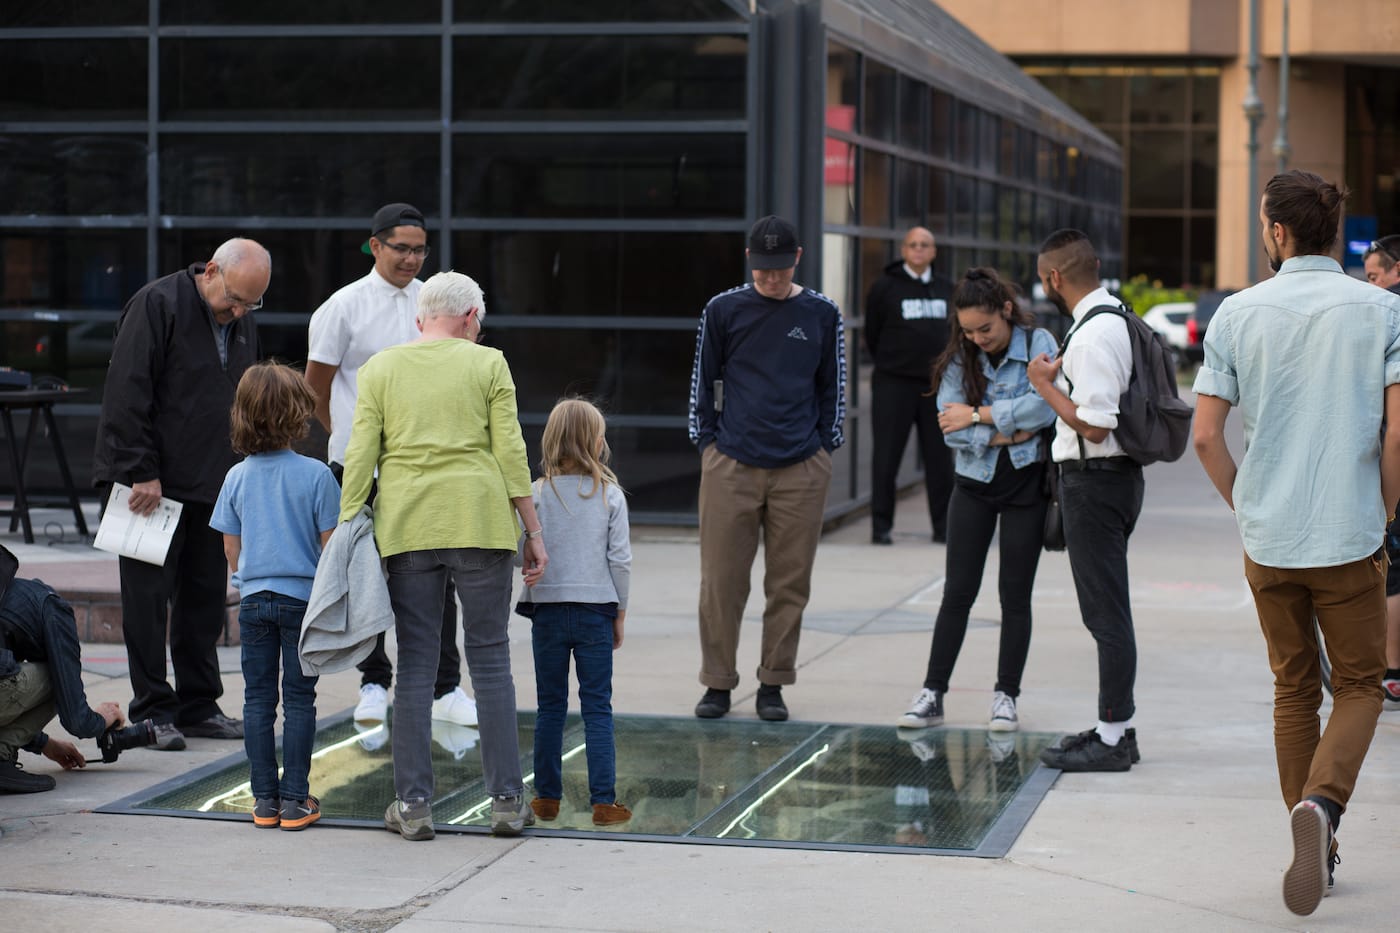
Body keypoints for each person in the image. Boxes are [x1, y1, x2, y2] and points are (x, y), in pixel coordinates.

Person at [1193, 170, 1400, 917]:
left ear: (1278, 232)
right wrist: (1382, 513)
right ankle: (1324, 806)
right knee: (1360, 683)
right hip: (1349, 533)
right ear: (1332, 233)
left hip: (1270, 538)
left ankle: (1312, 840)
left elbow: (1207, 436)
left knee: (1291, 686)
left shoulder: (1238, 313)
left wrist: (1247, 506)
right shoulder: (1382, 309)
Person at [340, 270, 547, 841]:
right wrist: (533, 530)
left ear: (420, 318)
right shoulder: (488, 364)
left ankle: (413, 806)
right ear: (468, 318)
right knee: (490, 661)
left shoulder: (379, 368)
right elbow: (510, 450)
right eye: (479, 321)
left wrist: (344, 523)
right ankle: (506, 801)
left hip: (408, 525)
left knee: (415, 665)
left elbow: (361, 453)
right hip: (480, 522)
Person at [305, 203, 477, 733]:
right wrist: (351, 441)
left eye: (419, 249)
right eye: (400, 247)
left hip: (424, 464)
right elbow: (315, 386)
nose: (410, 257)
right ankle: (374, 681)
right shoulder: (343, 306)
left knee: (438, 573)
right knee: (367, 575)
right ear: (374, 245)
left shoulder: (435, 302)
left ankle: (445, 687)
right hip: (359, 465)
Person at [93, 237, 269, 749]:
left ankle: (198, 705)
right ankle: (153, 711)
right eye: (234, 299)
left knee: (204, 601)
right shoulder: (157, 304)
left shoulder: (241, 318)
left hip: (212, 483)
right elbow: (126, 391)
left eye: (250, 305)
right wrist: (140, 469)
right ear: (211, 271)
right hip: (149, 487)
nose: (238, 311)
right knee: (146, 602)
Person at [688, 214, 846, 722]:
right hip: (730, 462)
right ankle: (717, 682)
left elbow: (832, 387)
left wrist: (825, 447)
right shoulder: (723, 309)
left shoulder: (823, 313)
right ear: (750, 262)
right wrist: (707, 445)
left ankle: (773, 683)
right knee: (721, 582)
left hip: (801, 466)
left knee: (789, 584)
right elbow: (702, 381)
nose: (771, 279)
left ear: (796, 259)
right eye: (762, 271)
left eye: (779, 270)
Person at [897, 269, 1056, 733]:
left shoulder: (1038, 341)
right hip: (972, 488)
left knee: (1015, 598)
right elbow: (951, 430)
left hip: (1026, 489)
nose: (977, 338)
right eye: (967, 330)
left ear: (1006, 310)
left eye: (985, 329)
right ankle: (932, 693)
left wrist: (979, 416)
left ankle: (1006, 697)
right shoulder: (957, 359)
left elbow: (1045, 408)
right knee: (957, 594)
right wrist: (1012, 431)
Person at [1025, 229, 1143, 773]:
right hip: (1108, 481)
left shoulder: (1094, 336)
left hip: (1095, 482)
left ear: (1053, 278)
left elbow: (1095, 426)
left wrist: (1043, 386)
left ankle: (1114, 737)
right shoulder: (1110, 315)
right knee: (1106, 608)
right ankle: (1111, 726)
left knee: (1105, 613)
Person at [210, 363, 340, 831]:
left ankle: (263, 800)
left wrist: (246, 580)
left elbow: (231, 545)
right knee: (300, 701)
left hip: (254, 602)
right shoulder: (317, 476)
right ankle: (295, 800)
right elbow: (331, 547)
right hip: (301, 603)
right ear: (297, 416)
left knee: (258, 701)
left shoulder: (236, 477)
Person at [517, 398, 633, 827]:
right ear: (596, 441)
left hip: (546, 610)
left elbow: (521, 551)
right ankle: (604, 802)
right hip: (596, 611)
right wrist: (620, 611)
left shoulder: (536, 493)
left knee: (550, 706)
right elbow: (620, 559)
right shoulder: (609, 495)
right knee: (597, 707)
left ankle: (546, 798)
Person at [0, 546, 126, 793]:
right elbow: (76, 718)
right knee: (56, 676)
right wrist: (103, 718)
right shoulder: (54, 611)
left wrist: (45, 744)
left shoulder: (10, 597)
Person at [864, 226, 956, 545]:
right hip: (893, 384)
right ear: (903, 250)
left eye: (924, 245)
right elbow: (872, 334)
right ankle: (881, 527)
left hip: (935, 387)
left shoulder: (947, 288)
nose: (918, 250)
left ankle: (943, 528)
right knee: (886, 458)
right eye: (912, 244)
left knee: (940, 461)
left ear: (933, 252)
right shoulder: (884, 287)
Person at [1363, 235, 1400, 709]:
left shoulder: (1387, 313)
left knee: (1395, 571)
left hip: (1394, 457)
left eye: (1373, 275)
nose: (1370, 284)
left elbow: (1394, 428)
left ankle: (1392, 671)